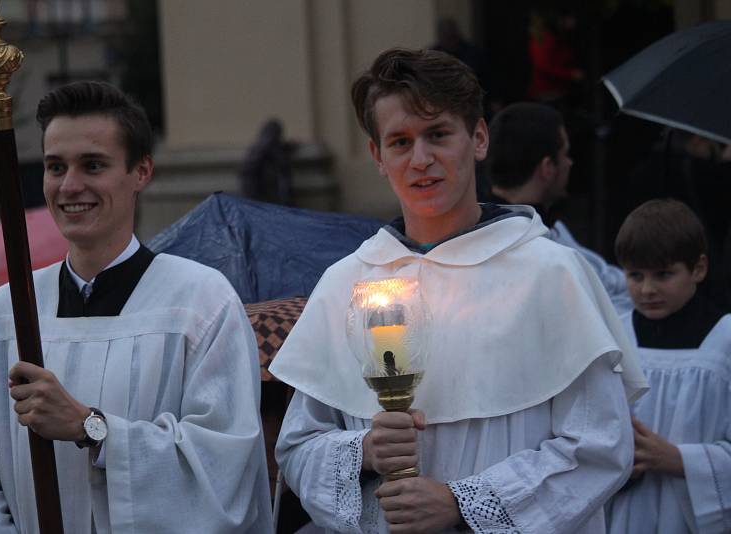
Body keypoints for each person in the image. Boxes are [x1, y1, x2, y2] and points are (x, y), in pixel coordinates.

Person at [271, 48, 647, 533]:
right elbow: (299, 447)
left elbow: (598, 445)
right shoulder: (347, 284)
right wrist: (362, 451)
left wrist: (462, 503)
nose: (421, 159)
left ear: (479, 137)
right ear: (377, 157)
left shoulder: (550, 273)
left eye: (438, 134)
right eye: (400, 141)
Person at [0, 81, 273, 533]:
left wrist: (90, 428)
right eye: (55, 167)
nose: (70, 186)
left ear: (142, 171)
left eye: (93, 165)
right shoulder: (2, 318)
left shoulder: (201, 305)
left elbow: (222, 471)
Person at [605, 199, 731, 533]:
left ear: (698, 269)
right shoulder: (613, 336)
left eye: (663, 274)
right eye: (635, 275)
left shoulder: (725, 340)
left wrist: (678, 460)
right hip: (624, 513)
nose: (647, 290)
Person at [485, 101, 633, 314]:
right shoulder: (525, 243)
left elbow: (607, 281)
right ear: (547, 168)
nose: (569, 163)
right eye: (565, 153)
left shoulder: (549, 225)